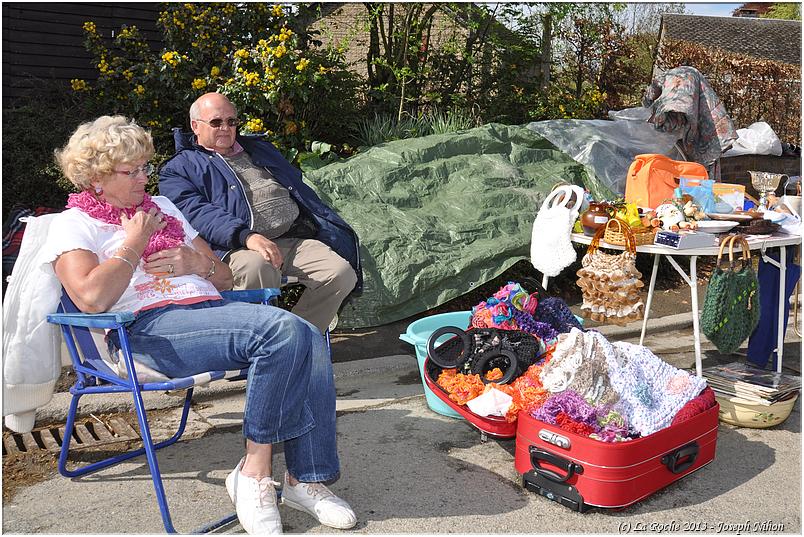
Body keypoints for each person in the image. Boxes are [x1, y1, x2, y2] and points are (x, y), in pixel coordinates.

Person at [45, 115, 357, 534]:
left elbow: (225, 279)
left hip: (209, 311)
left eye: (144, 168)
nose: (144, 179)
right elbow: (91, 298)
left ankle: (306, 479)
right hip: (144, 331)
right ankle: (254, 470)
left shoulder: (165, 209)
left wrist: (198, 264)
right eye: (131, 171)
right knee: (285, 330)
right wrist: (135, 242)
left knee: (307, 334)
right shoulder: (73, 224)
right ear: (97, 177)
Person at [159, 93, 361, 334]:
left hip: (291, 237)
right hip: (235, 248)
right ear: (195, 126)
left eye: (231, 122)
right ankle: (259, 342)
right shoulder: (179, 169)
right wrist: (246, 236)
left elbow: (296, 187)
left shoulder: (259, 149)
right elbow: (198, 214)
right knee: (257, 267)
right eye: (216, 122)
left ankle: (298, 335)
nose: (225, 128)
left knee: (341, 274)